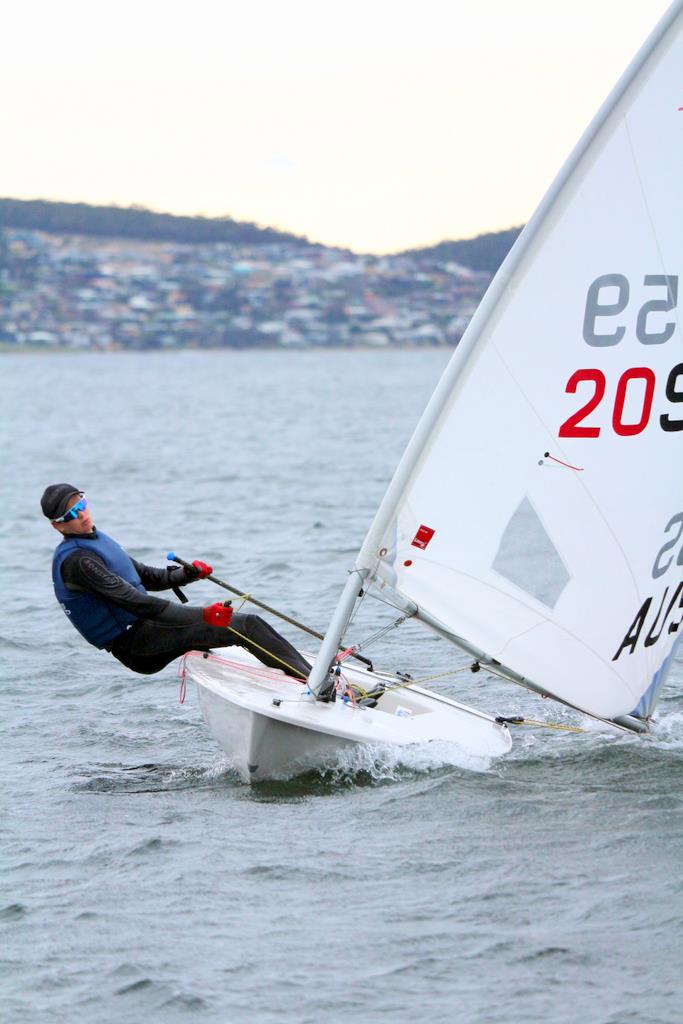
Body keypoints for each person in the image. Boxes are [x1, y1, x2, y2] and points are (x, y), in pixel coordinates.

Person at [42, 483, 311, 680]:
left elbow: (145, 576)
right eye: (71, 514)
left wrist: (186, 574)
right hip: (137, 644)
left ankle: (300, 676)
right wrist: (204, 614)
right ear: (58, 525)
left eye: (81, 504)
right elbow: (137, 603)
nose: (81, 514)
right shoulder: (78, 562)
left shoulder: (95, 540)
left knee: (236, 628)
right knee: (246, 626)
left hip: (149, 628)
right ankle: (316, 685)